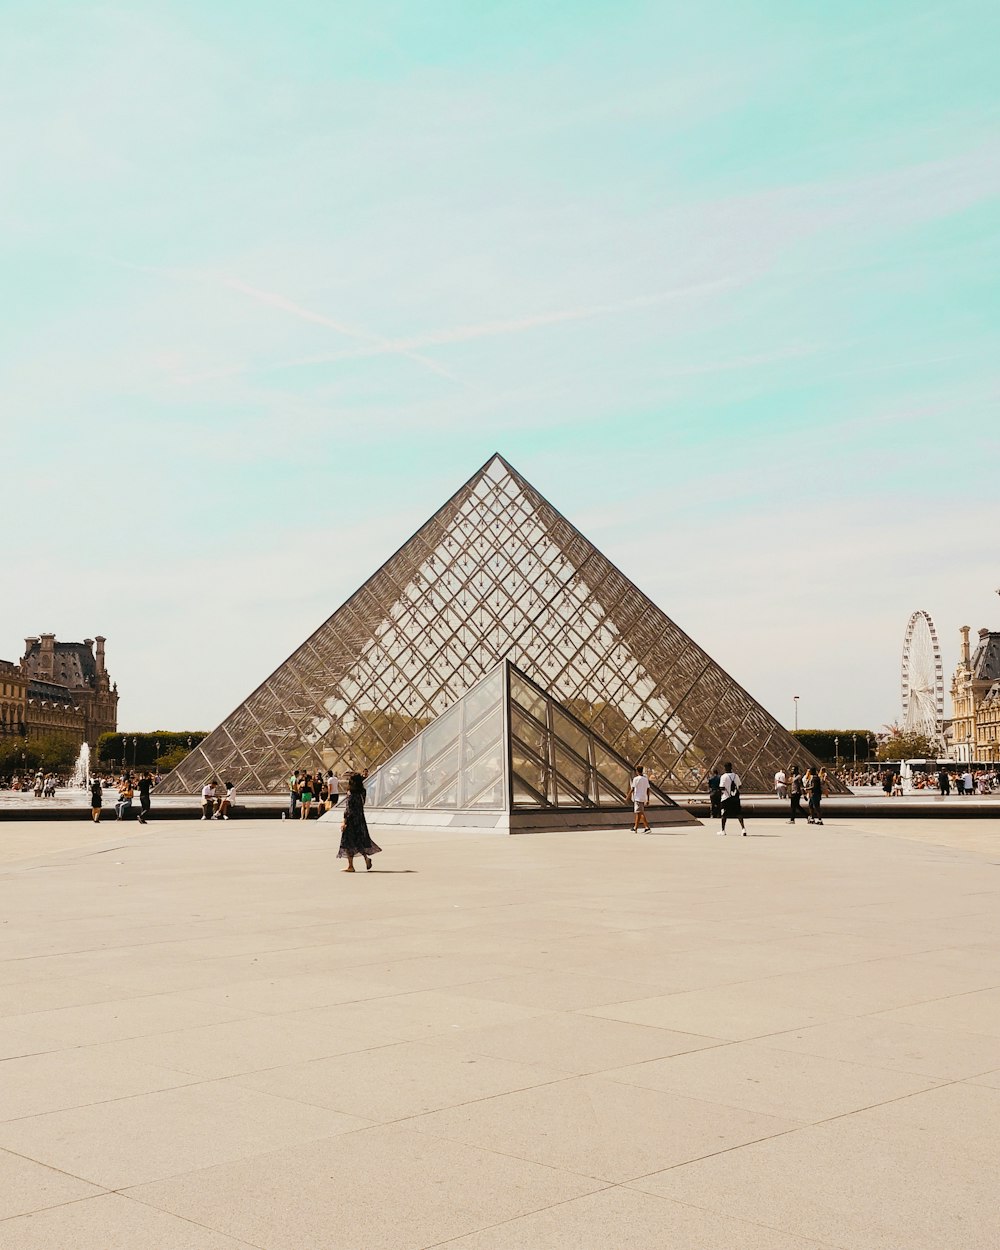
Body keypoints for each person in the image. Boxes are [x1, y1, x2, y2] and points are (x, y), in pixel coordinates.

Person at [338, 773, 381, 871]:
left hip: (351, 820)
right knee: (359, 841)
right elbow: (362, 804)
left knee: (348, 842)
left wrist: (344, 822)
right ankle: (366, 858)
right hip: (360, 819)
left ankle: (350, 866)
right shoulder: (363, 792)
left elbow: (348, 809)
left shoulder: (350, 793)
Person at [718, 762, 746, 835]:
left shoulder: (723, 776)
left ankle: (723, 830)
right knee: (739, 814)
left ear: (725, 768)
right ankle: (743, 829)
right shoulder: (736, 776)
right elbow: (740, 786)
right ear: (731, 767)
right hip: (735, 798)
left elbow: (721, 787)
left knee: (724, 814)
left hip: (726, 798)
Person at [629, 765, 651, 832]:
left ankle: (647, 827)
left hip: (637, 797)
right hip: (643, 797)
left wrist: (627, 796)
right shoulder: (645, 779)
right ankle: (635, 827)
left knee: (640, 813)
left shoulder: (636, 779)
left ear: (637, 771)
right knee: (638, 813)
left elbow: (632, 788)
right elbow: (648, 789)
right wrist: (648, 799)